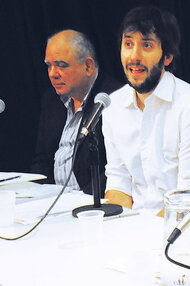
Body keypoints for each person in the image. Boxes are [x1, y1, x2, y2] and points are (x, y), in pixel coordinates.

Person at [102, 5, 190, 210]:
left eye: (146, 45)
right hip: (136, 227)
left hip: (187, 226)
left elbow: (189, 196)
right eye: (128, 44)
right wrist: (118, 229)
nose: (133, 56)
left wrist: (145, 236)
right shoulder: (113, 106)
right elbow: (118, 181)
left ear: (167, 56)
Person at [31, 30, 122, 196]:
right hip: (52, 202)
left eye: (61, 65)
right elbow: (41, 160)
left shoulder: (115, 99)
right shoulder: (51, 100)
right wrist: (36, 196)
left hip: (89, 202)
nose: (52, 74)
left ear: (88, 66)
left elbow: (118, 168)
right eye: (49, 66)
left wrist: (78, 201)